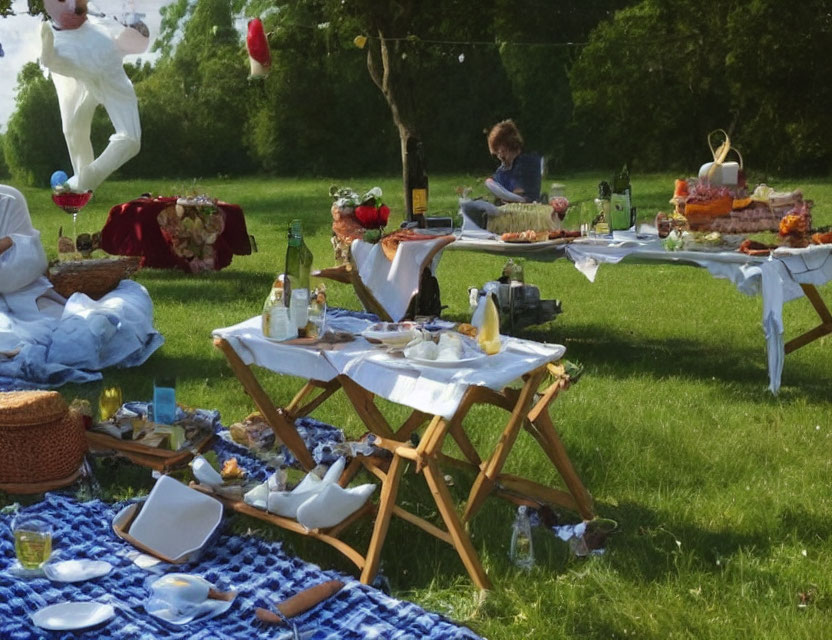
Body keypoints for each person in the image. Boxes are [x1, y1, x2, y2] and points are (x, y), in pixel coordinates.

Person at [0, 185, 162, 389]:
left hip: (24, 298)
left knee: (82, 332)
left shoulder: (8, 199)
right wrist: (6, 244)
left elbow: (27, 266)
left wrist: (11, 243)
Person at [39, 0, 142, 193]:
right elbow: (51, 59)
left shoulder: (100, 27)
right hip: (70, 62)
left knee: (131, 140)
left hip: (104, 62)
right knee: (72, 129)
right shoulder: (57, 37)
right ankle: (81, 188)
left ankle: (82, 182)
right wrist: (48, 47)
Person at [486, 119, 543, 203]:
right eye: (497, 153)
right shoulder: (503, 170)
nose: (500, 156)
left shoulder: (527, 162)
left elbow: (521, 194)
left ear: (510, 145)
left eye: (502, 151)